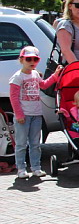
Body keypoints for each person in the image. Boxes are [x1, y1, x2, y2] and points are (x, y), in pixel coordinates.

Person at [9, 46, 61, 178]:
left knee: (35, 144)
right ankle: (21, 168)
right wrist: (19, 114)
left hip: (36, 114)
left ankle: (36, 167)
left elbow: (44, 85)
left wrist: (55, 76)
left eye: (35, 59)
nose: (32, 62)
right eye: (29, 59)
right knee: (21, 144)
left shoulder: (35, 74)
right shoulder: (17, 77)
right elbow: (13, 97)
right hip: (24, 116)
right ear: (21, 60)